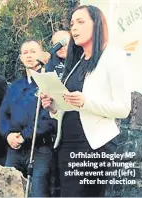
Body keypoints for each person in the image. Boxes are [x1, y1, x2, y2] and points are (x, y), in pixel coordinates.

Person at [41, 5, 131, 197]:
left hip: (94, 146)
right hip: (67, 143)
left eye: (81, 22)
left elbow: (123, 108)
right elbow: (69, 105)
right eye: (72, 23)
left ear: (97, 24)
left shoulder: (113, 56)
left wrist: (85, 102)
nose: (74, 28)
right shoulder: (76, 61)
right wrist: (53, 107)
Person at [0, 39, 55, 197]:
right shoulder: (14, 86)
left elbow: (48, 119)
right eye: (25, 53)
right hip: (14, 149)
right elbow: (3, 113)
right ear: (21, 58)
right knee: (8, 190)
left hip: (39, 149)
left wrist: (24, 136)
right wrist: (8, 134)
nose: (29, 56)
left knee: (38, 191)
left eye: (33, 52)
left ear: (42, 55)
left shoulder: (49, 83)